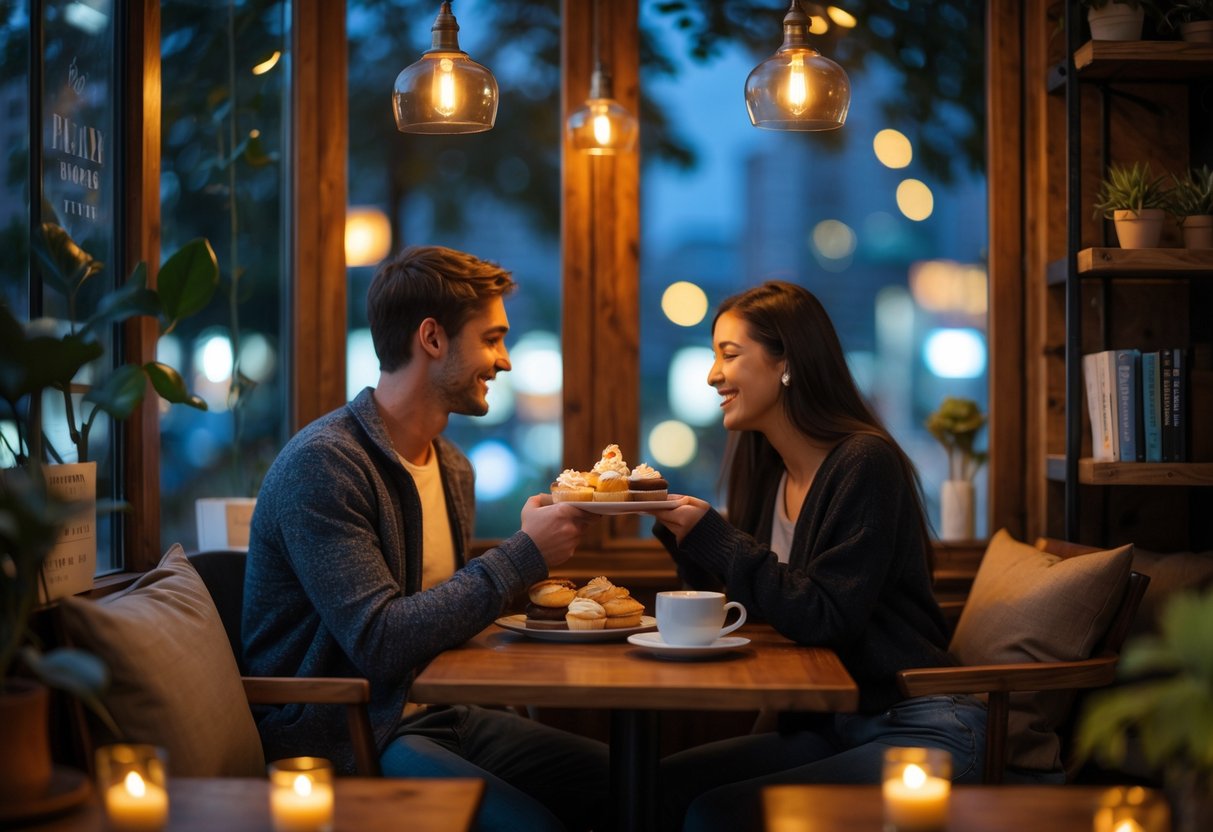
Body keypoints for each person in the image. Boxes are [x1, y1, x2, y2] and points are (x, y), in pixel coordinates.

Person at [243, 245, 608, 832]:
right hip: (346, 733)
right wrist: (524, 554)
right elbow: (381, 640)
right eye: (492, 339)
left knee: (623, 783)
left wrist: (536, 569)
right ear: (432, 338)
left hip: (438, 713)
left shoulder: (453, 467)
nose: (505, 361)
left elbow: (441, 610)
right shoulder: (324, 465)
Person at [649, 281, 986, 832]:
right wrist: (681, 533)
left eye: (729, 355)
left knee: (716, 816)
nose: (712, 375)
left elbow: (824, 615)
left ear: (788, 363)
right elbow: (751, 609)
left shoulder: (865, 463)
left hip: (920, 730)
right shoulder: (769, 470)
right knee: (657, 790)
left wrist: (713, 533)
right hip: (833, 725)